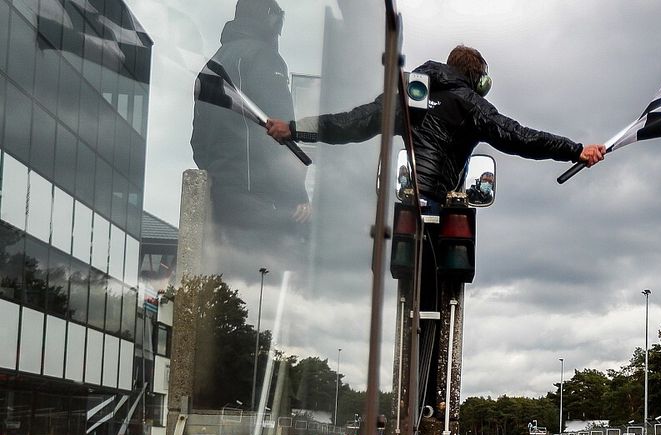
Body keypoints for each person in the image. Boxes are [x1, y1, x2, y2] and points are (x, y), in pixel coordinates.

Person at [265, 45, 605, 209]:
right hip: (436, 201)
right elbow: (518, 136)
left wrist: (294, 129)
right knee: (453, 258)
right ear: (479, 79)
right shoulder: (469, 101)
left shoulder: (409, 94)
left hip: (405, 202)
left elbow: (353, 122)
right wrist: (575, 149)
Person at [191, 0, 310, 252]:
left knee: (234, 283)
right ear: (269, 21)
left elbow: (198, 144)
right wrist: (297, 195)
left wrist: (221, 178)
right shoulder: (265, 58)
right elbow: (280, 132)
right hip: (259, 200)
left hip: (222, 199)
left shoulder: (210, 67)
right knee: (274, 280)